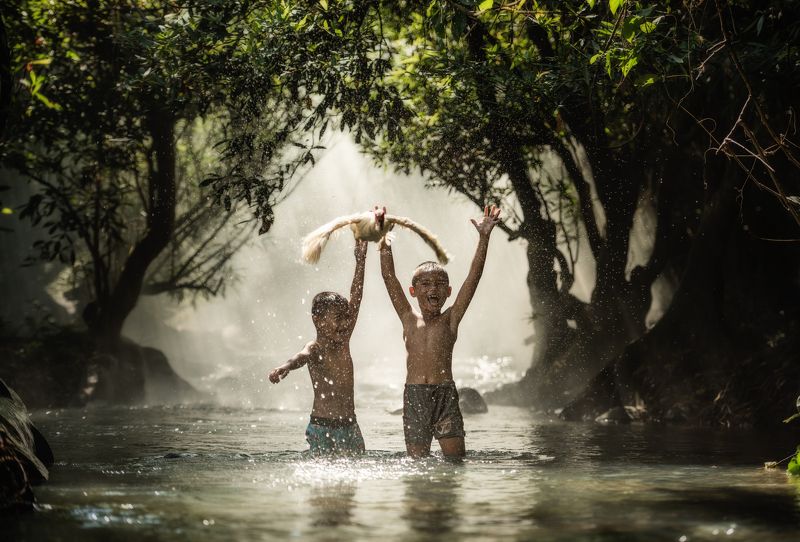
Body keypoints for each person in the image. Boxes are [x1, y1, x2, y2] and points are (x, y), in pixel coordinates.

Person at [379, 205, 501, 458]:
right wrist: (384, 238)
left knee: (455, 462)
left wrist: (484, 237)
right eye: (425, 284)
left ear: (448, 291)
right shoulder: (408, 318)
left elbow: (473, 278)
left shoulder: (451, 320)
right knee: (417, 464)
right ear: (413, 291)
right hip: (414, 398)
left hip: (445, 395)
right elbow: (389, 277)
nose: (432, 288)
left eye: (439, 284)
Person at [269, 239, 368, 455]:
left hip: (350, 425)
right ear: (318, 320)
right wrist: (285, 367)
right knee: (324, 478)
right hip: (322, 426)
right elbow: (300, 356)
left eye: (346, 318)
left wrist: (360, 260)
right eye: (338, 318)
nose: (344, 323)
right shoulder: (315, 348)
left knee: (352, 477)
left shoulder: (343, 342)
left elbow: (357, 296)